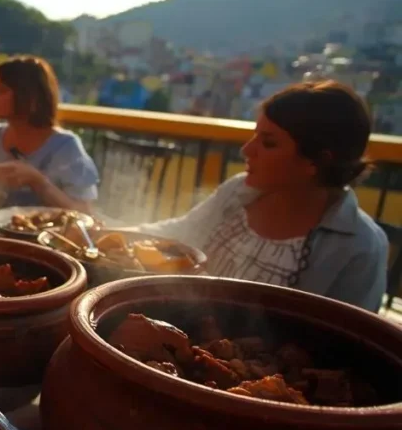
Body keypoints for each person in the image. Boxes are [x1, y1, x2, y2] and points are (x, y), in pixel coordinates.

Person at [136, 81, 387, 313]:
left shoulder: (360, 248)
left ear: (317, 160)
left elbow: (347, 344)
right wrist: (106, 229)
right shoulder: (240, 193)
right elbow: (181, 232)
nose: (247, 150)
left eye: (268, 143)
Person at [0, 56, 99, 211]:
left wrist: (37, 182)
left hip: (47, 234)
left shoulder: (65, 147)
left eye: (1, 90)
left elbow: (85, 213)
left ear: (29, 97)